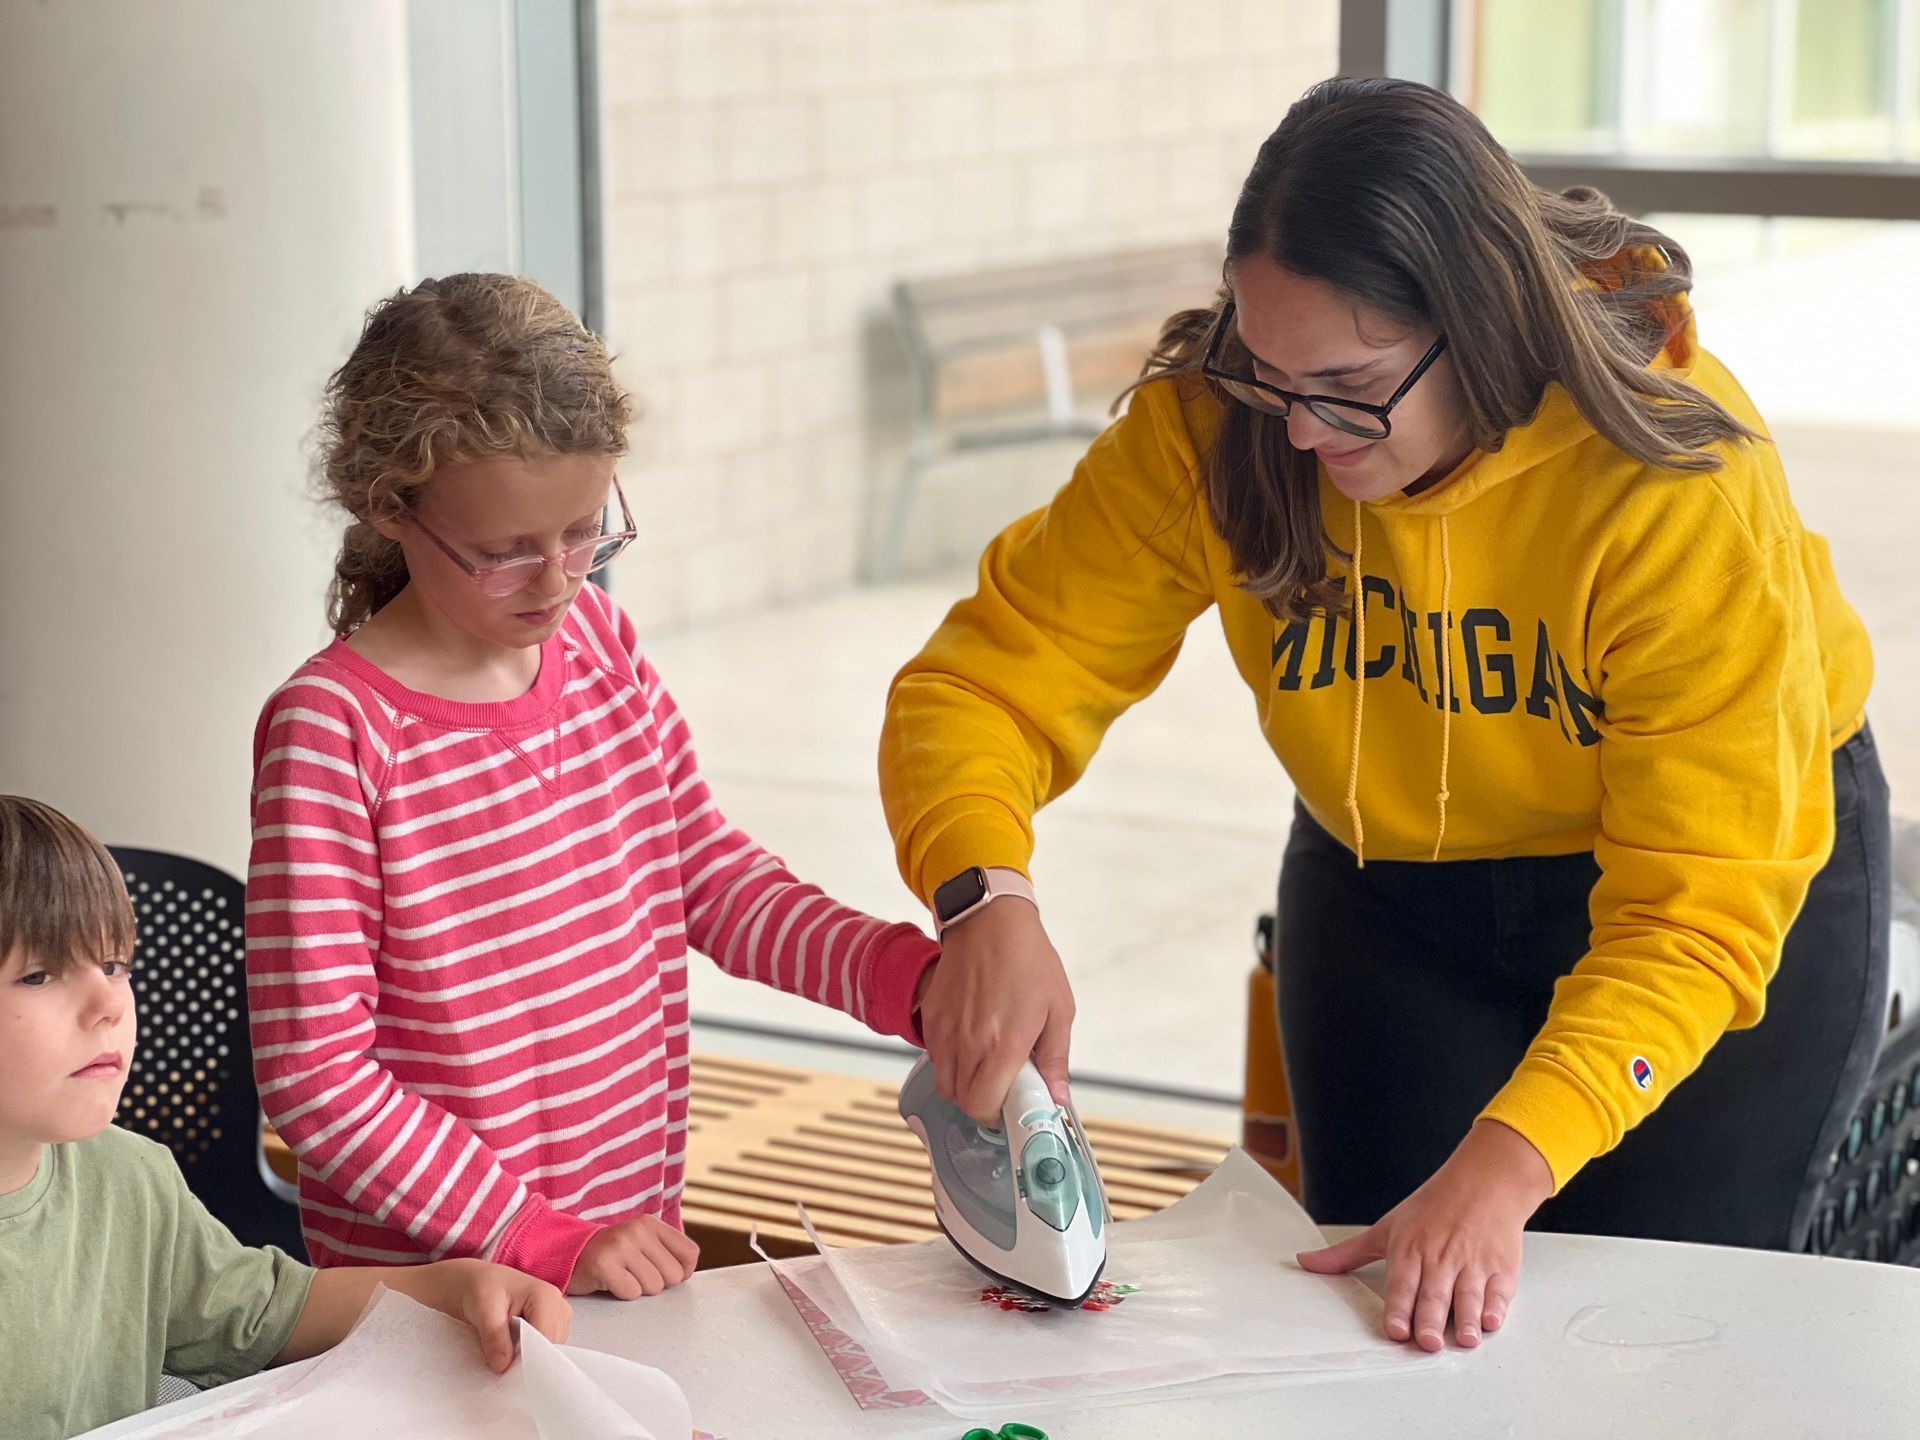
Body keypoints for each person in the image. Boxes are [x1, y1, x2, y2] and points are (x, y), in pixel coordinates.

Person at [880, 77, 1887, 1353]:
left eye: (1347, 385)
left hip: (1715, 889)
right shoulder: (1219, 427)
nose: (1300, 432)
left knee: (1667, 1344)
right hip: (1394, 881)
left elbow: (1694, 911)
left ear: (1478, 323)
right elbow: (986, 682)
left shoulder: (1672, 483)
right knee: (1376, 1330)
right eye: (1270, 374)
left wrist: (1507, 1165)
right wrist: (985, 897)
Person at [249, 274, 940, 1298]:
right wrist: (537, 1238)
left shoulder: (600, 648)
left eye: (584, 532)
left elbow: (706, 877)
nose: (558, 580)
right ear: (390, 505)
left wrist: (905, 980)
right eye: (504, 554)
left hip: (621, 1266)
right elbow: (319, 1078)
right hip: (446, 1301)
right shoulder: (334, 732)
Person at [0, 795, 570, 1440]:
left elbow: (269, 1313)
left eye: (114, 965)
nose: (109, 1003)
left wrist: (454, 1287)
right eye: (38, 976)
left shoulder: (131, 1178)